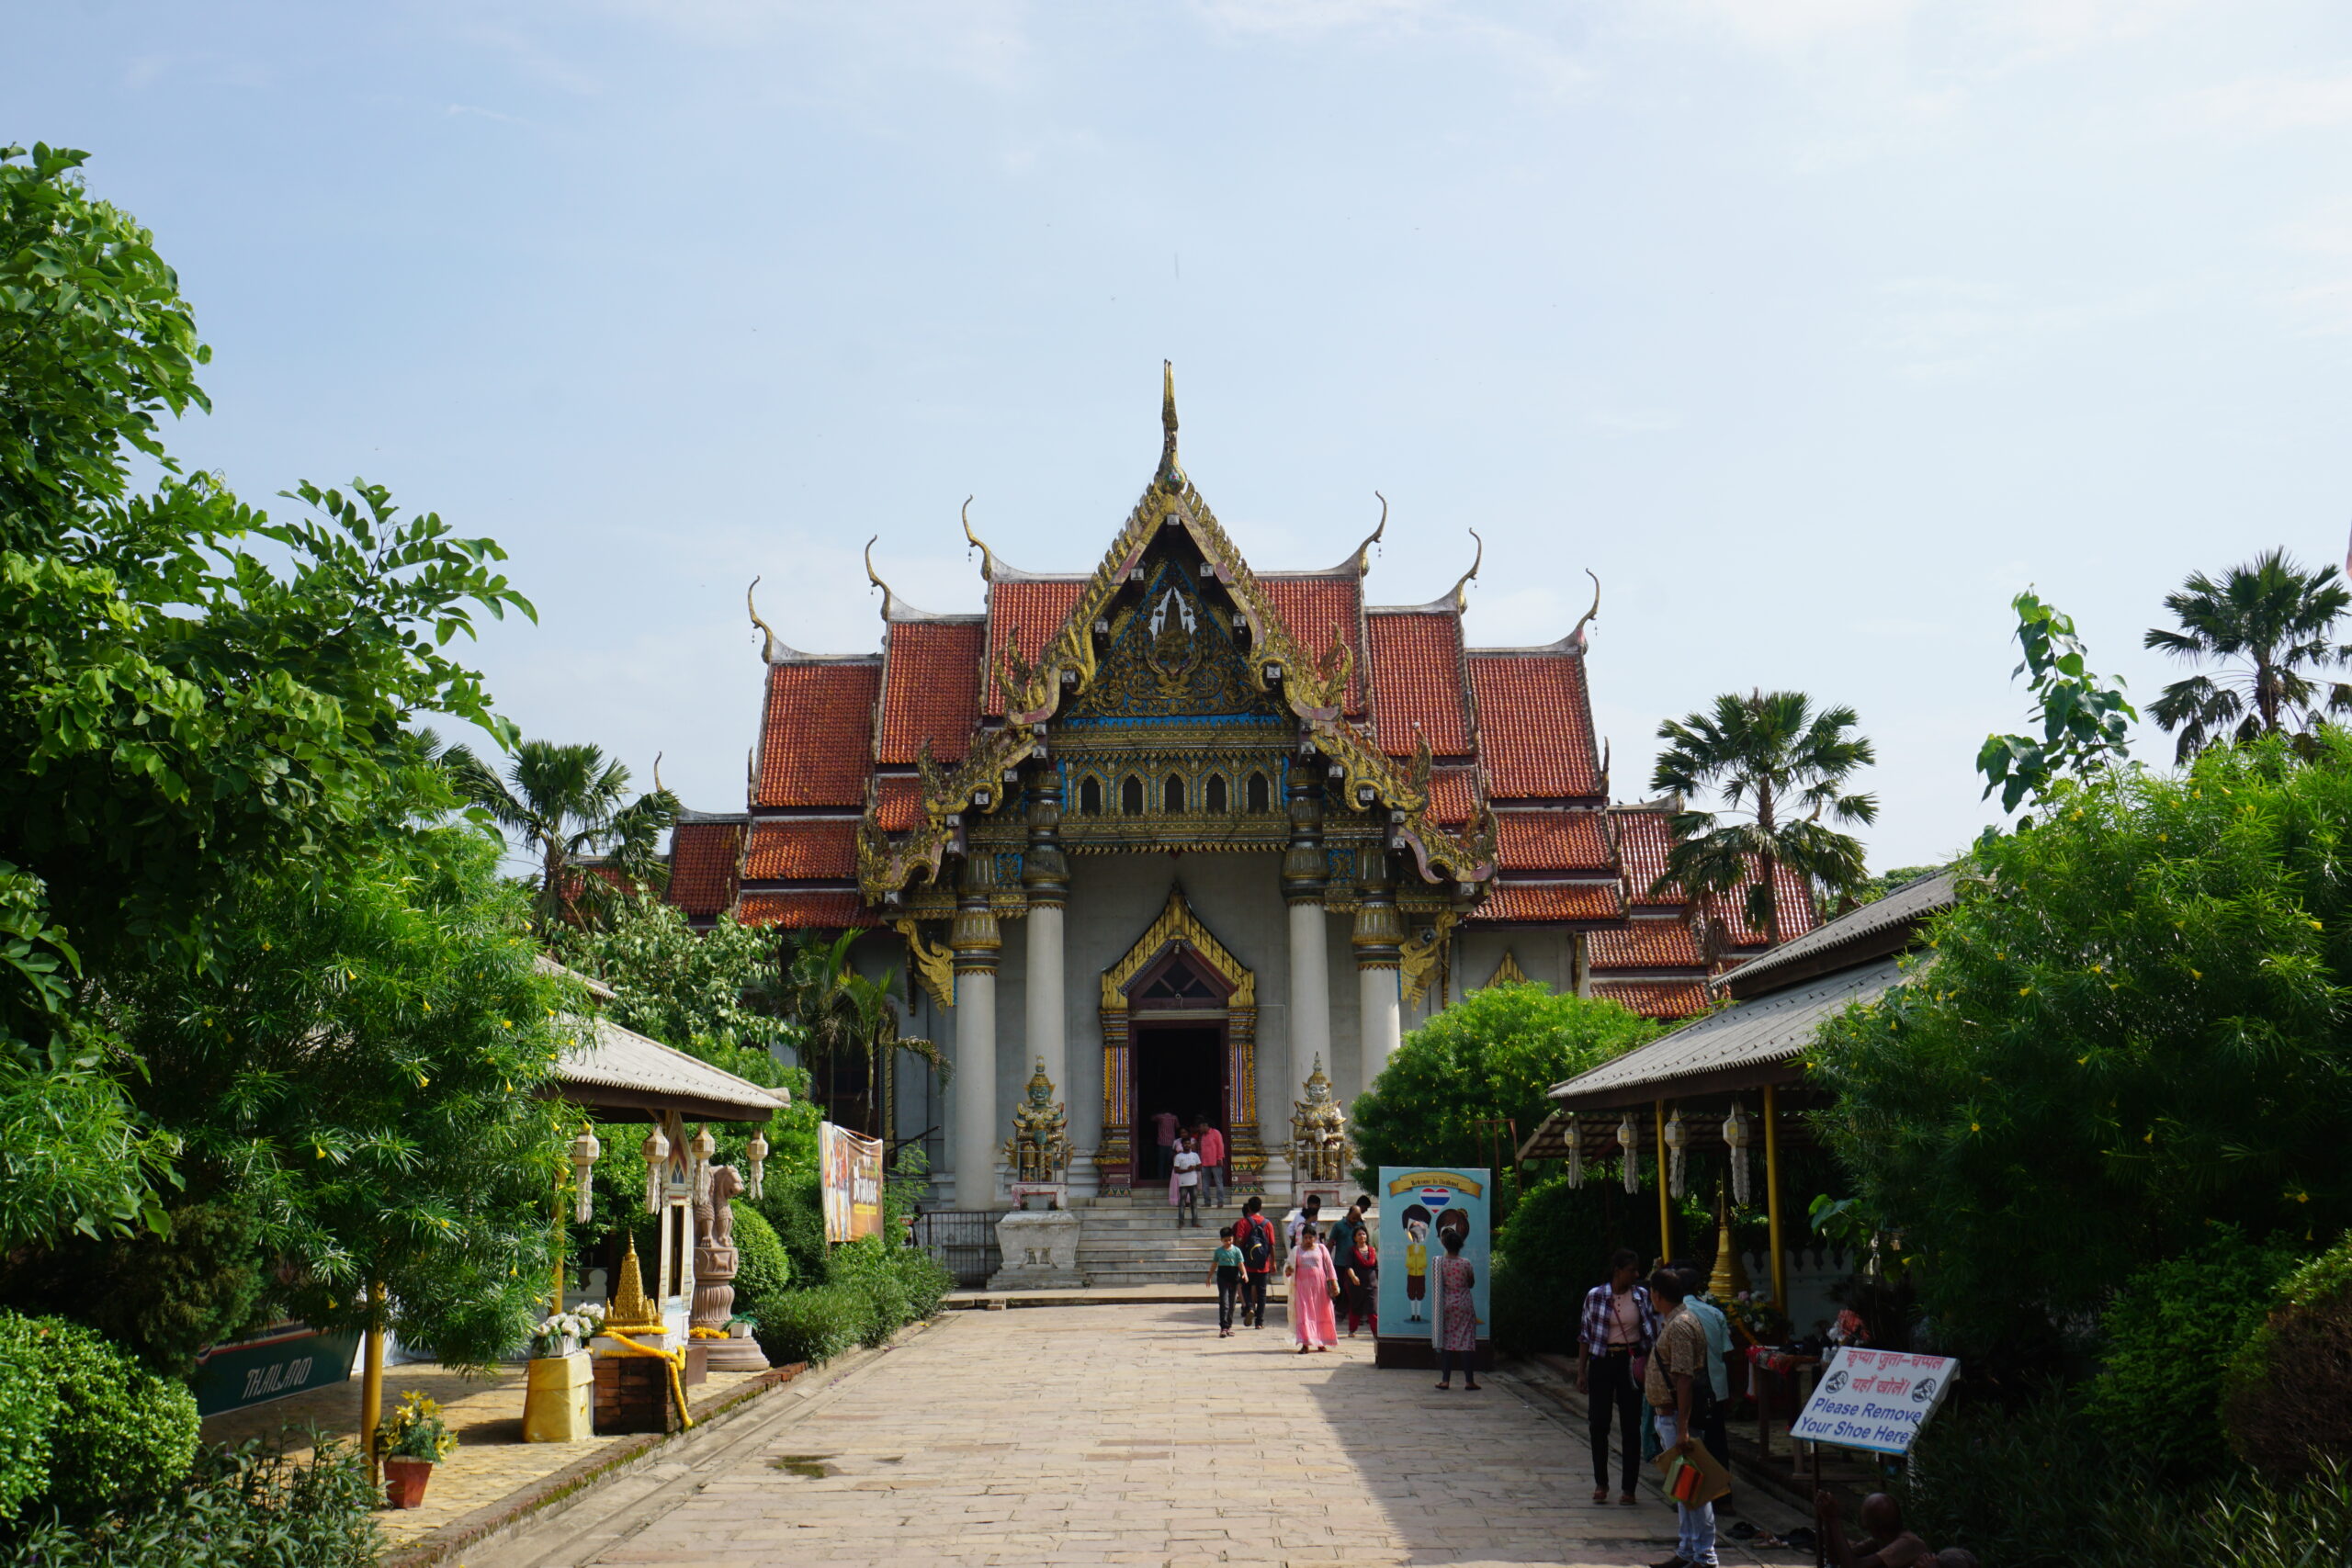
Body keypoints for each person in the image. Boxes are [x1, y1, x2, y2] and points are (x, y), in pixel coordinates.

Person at [1645, 1268, 1720, 1568]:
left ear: (1657, 1295)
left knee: (1694, 1488)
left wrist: (1683, 1428)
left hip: (1678, 1417)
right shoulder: (1677, 1320)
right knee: (1683, 1487)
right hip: (1670, 1416)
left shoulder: (1680, 1325)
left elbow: (1684, 1379)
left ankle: (1704, 1555)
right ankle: (1688, 1549)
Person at [1577, 1248, 1658, 1507]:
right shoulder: (1596, 1296)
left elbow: (1650, 1335)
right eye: (1631, 1270)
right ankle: (1601, 1482)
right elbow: (1585, 1335)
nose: (1636, 1275)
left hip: (1631, 1361)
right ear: (1618, 1270)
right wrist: (1582, 1370)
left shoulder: (1641, 1297)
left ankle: (1629, 1487)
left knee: (1630, 1426)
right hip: (1602, 1360)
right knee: (1598, 1423)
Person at [1677, 1265, 1735, 1516]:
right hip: (1715, 1388)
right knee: (1717, 1443)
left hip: (1688, 1389)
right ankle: (1723, 1495)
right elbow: (1726, 1352)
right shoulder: (1714, 1314)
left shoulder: (1676, 1317)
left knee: (1686, 1442)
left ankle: (1690, 1495)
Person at [1815, 1490, 1933, 1567]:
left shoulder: (1908, 1543)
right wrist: (1827, 1518)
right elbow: (1836, 1558)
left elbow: (1852, 1566)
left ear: (1875, 1528)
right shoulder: (1881, 1540)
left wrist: (1835, 1520)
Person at [1430, 1227, 1481, 1390]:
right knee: (1466, 1341)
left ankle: (1445, 1380)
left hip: (1446, 1304)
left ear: (1445, 1245)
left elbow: (1437, 1284)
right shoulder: (1465, 1263)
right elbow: (1471, 1283)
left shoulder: (1440, 1263)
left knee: (1446, 1342)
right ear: (1460, 1245)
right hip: (1464, 1304)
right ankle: (1469, 1381)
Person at [1286, 1223, 1340, 1352]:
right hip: (1303, 1289)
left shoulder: (1321, 1248)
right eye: (1305, 1237)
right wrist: (1288, 1270)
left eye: (1310, 1237)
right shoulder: (1296, 1251)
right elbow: (1289, 1268)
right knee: (1304, 1314)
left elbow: (1329, 1266)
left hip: (1320, 1288)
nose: (1308, 1240)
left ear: (1315, 1238)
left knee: (1321, 1313)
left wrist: (1333, 1282)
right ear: (1302, 1238)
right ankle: (1305, 1343)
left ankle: (1321, 1341)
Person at [1236, 1196, 1279, 1329]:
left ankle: (1249, 1307)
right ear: (1261, 1208)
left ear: (1248, 1208)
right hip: (1263, 1263)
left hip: (1247, 1262)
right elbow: (1272, 1245)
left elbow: (1239, 1240)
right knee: (1262, 1293)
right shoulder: (1268, 1224)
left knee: (1245, 1288)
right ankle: (1259, 1322)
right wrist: (1273, 1262)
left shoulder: (1243, 1222)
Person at [1207, 1224, 1244, 1337]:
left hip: (1234, 1278)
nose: (1228, 1242)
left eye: (1230, 1239)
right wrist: (1209, 1276)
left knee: (1232, 1303)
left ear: (1233, 1238)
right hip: (1222, 1277)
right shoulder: (1218, 1252)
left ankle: (1228, 1326)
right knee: (1224, 1301)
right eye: (1225, 1240)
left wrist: (1244, 1274)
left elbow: (1240, 1264)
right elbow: (1214, 1264)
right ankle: (1223, 1326)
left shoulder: (1237, 1251)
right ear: (1221, 1240)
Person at [1401, 1206, 1430, 1322]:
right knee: (1411, 1293)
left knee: (1420, 1294)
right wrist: (1414, 1258)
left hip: (1421, 1274)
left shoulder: (1423, 1249)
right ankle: (1413, 1314)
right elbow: (1407, 1263)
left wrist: (1419, 1257)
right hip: (1411, 1273)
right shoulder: (1409, 1248)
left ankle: (1418, 1314)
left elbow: (1425, 1263)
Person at [1195, 1119, 1227, 1208]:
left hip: (1215, 1161)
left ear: (1205, 1126)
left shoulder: (1216, 1133)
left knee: (1218, 1182)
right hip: (1205, 1162)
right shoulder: (1202, 1136)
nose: (1199, 1129)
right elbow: (1201, 1150)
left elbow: (1220, 1145)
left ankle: (1220, 1201)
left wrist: (1220, 1157)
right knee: (1205, 1183)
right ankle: (1207, 1202)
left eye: (1200, 1127)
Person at [1171, 1137, 1203, 1227]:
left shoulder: (1195, 1155)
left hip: (1193, 1183)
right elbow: (1176, 1170)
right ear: (1182, 1145)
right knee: (1182, 1204)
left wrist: (1194, 1168)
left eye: (1188, 1143)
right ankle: (1181, 1223)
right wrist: (1187, 1170)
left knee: (1194, 1204)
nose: (1187, 1145)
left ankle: (1195, 1222)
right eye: (1185, 1143)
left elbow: (1200, 1167)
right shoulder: (1178, 1156)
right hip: (1183, 1184)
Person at [1150, 1108, 1180, 1178]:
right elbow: (1178, 1126)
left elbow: (1152, 1118)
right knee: (1169, 1162)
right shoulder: (1174, 1117)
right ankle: (1168, 1177)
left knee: (1161, 1162)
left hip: (1162, 1143)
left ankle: (1160, 1178)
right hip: (1171, 1143)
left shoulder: (1160, 1116)